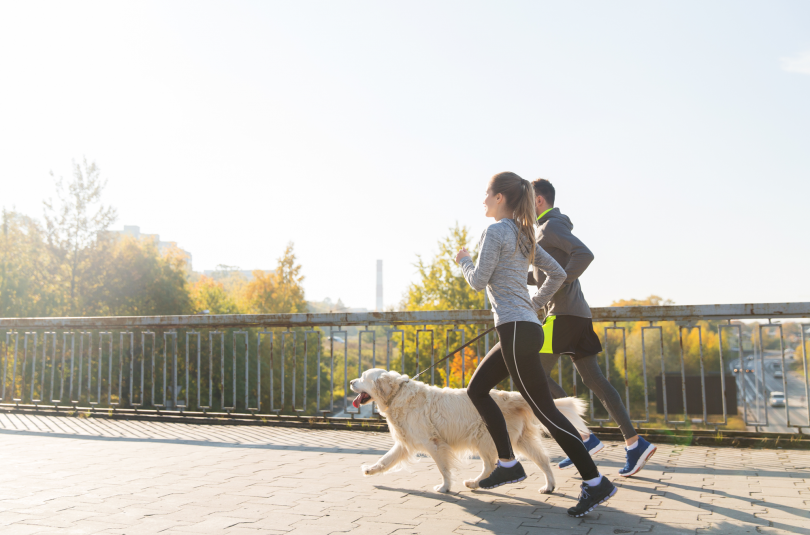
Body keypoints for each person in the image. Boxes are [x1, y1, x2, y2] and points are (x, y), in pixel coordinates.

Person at [456, 171, 617, 518]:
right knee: (478, 388)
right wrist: (536, 304)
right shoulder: (524, 233)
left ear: (500, 197)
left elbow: (478, 281)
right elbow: (558, 273)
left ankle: (594, 481)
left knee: (545, 410)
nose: (483, 199)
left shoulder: (496, 230)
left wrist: (464, 261)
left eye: (487, 193)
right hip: (523, 327)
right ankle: (508, 462)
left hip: (516, 330)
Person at [529, 178, 657, 477]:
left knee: (534, 375)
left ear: (538, 201)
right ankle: (634, 443)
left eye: (526, 199)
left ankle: (584, 439)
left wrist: (558, 280)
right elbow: (544, 276)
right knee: (596, 381)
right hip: (576, 314)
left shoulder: (550, 227)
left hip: (562, 316)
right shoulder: (545, 229)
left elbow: (584, 254)